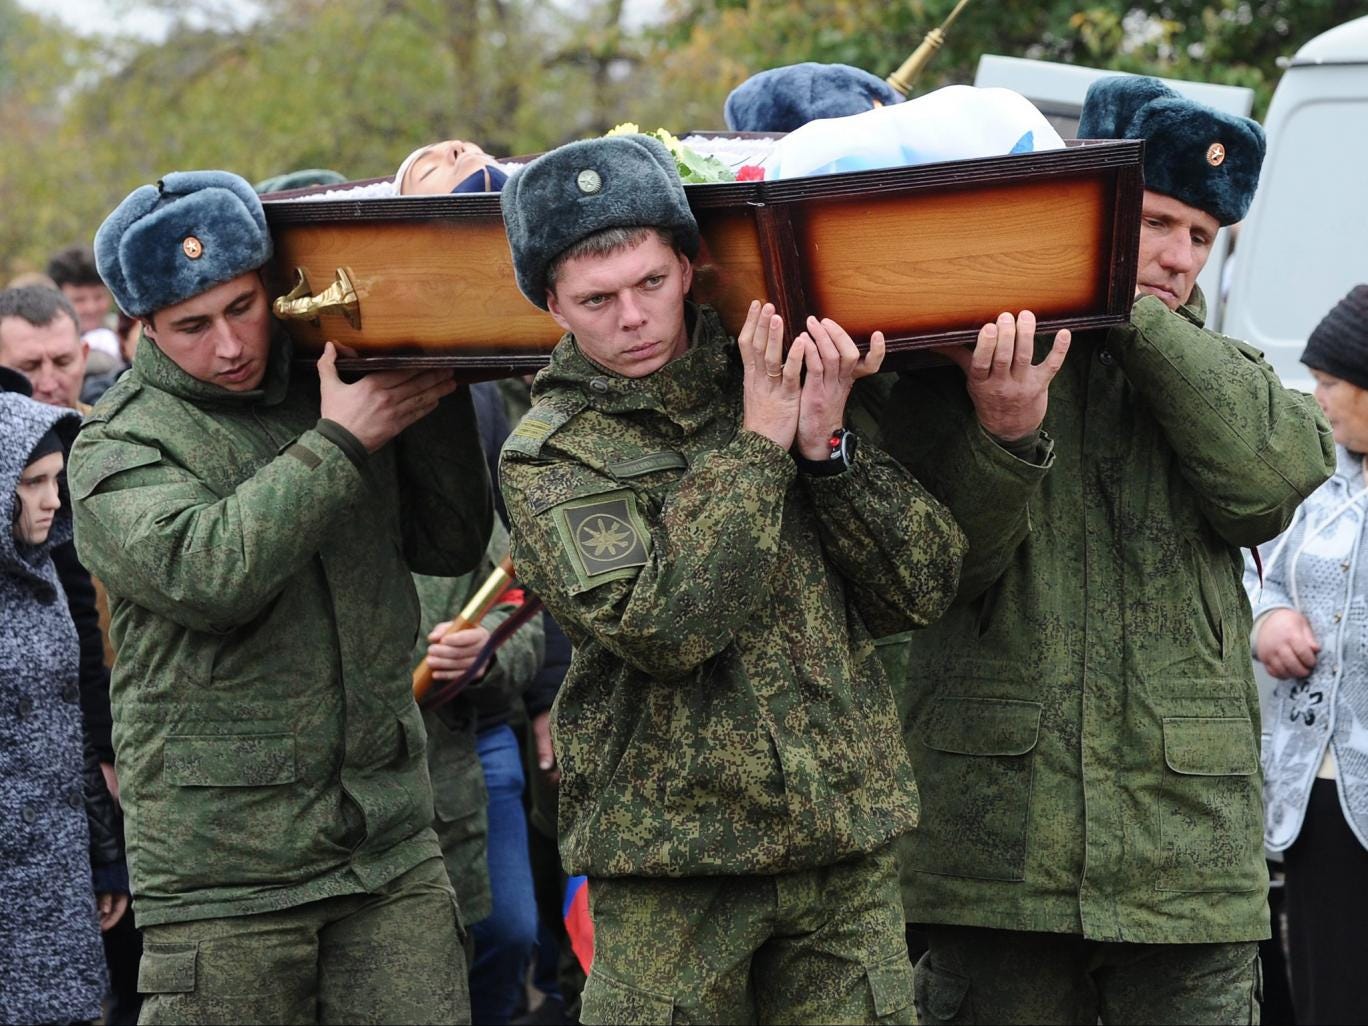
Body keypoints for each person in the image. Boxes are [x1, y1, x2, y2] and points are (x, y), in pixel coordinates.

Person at [877, 75, 1336, 1024]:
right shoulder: (961, 365)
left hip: (1186, 863)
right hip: (996, 861)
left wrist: (1130, 312)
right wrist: (1005, 431)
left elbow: (1267, 483)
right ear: (1089, 208)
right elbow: (941, 571)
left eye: (1201, 236)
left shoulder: (1223, 376)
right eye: (1156, 221)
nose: (1177, 255)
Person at [497, 132, 969, 1024]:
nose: (633, 318)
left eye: (650, 283)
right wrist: (758, 445)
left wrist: (828, 452)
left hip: (838, 845)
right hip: (676, 864)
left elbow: (923, 588)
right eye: (597, 299)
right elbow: (664, 628)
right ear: (552, 306)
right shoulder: (549, 456)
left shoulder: (788, 369)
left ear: (688, 268)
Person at [68, 170, 493, 1025]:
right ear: (142, 327)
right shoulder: (116, 444)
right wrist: (340, 442)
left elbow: (449, 543)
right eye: (192, 326)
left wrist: (420, 369)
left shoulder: (333, 386)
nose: (230, 345)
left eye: (243, 307)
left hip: (388, 845)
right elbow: (208, 575)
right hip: (226, 873)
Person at [1246, 284, 1368, 1026]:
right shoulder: (1316, 477)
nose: (1315, 399)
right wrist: (1268, 619)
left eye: (1327, 382)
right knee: (1328, 991)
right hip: (1318, 786)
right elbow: (1251, 568)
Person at [0, 388, 128, 1025]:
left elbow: (69, 720)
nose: (52, 500)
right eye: (33, 484)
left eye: (57, 481)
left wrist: (104, 857)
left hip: (56, 869)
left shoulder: (45, 572)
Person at [47, 244, 123, 370]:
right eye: (79, 300)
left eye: (98, 297)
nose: (91, 308)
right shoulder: (45, 343)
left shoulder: (124, 332)